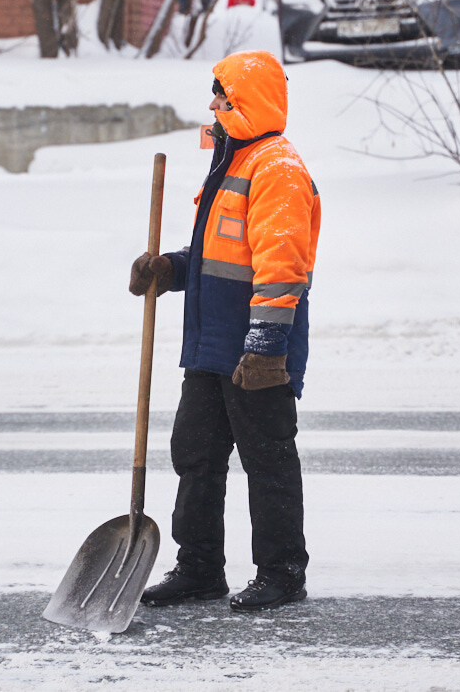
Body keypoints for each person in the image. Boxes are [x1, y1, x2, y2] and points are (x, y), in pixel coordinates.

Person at [129, 49, 322, 612]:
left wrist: (266, 349)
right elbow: (219, 257)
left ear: (247, 100)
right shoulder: (232, 164)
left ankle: (283, 571)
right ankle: (198, 570)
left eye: (222, 94)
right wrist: (170, 268)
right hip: (211, 348)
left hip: (255, 351)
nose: (212, 105)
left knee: (268, 459)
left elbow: (282, 271)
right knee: (195, 455)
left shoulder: (278, 169)